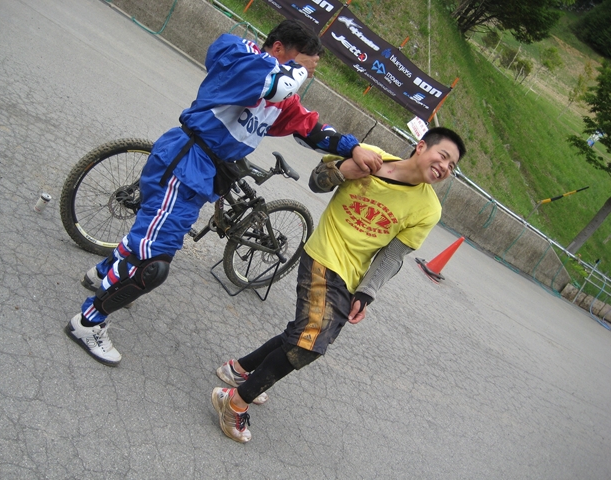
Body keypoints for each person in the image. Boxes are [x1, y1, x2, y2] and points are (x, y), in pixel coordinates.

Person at [64, 19, 383, 366]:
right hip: (186, 162)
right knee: (153, 264)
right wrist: (297, 70)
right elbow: (274, 83)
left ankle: (102, 275)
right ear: (279, 49)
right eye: (304, 67)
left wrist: (354, 148)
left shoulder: (281, 95)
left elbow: (312, 128)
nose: (304, 77)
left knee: (149, 235)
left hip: (202, 171)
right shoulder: (242, 54)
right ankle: (88, 322)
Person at [211, 127, 466, 443]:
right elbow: (316, 182)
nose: (445, 167)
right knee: (310, 342)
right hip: (323, 255)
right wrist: (344, 169)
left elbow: (392, 256)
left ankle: (238, 370)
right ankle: (234, 402)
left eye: (452, 166)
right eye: (443, 156)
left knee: (303, 334)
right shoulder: (369, 156)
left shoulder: (429, 209)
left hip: (351, 275)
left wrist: (367, 292)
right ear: (422, 146)